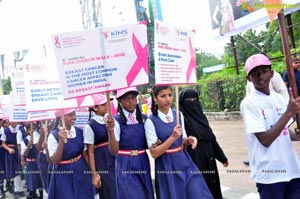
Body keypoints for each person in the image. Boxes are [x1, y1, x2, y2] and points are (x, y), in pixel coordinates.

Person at [240, 53, 300, 198]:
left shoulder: (279, 98)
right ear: (249, 78)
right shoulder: (249, 104)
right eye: (255, 74)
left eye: (265, 71)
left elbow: (282, 130)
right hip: (269, 174)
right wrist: (288, 113)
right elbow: (265, 140)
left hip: (292, 170)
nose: (261, 77)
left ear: (272, 73)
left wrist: (296, 135)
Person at [144, 85, 213, 199]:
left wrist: (189, 140)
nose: (168, 99)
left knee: (198, 192)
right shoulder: (151, 121)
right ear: (155, 98)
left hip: (184, 160)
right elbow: (154, 153)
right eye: (163, 96)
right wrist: (172, 137)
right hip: (166, 165)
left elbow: (182, 141)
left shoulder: (178, 115)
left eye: (170, 95)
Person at [179, 88, 228, 199]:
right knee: (199, 189)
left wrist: (222, 157)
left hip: (209, 158)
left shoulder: (202, 118)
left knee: (213, 187)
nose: (193, 102)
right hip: (194, 160)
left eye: (195, 99)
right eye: (189, 100)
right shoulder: (181, 119)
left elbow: (211, 138)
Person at [106, 87, 154, 199]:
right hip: (125, 162)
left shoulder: (144, 119)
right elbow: (114, 151)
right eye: (127, 98)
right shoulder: (115, 121)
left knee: (146, 193)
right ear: (119, 101)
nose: (131, 101)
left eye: (133, 97)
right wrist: (111, 131)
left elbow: (149, 143)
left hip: (142, 160)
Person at [47, 109, 94, 199]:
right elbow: (55, 161)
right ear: (61, 118)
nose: (74, 117)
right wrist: (61, 141)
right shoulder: (53, 135)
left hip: (81, 170)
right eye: (70, 115)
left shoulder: (80, 132)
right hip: (63, 173)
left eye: (74, 114)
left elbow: (85, 154)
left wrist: (93, 173)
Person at [84, 94, 117, 199]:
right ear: (95, 107)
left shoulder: (111, 120)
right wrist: (94, 174)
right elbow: (90, 152)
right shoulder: (90, 126)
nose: (107, 105)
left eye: (107, 103)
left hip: (116, 159)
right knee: (109, 192)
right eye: (103, 104)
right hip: (103, 162)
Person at [1, 121, 25, 199]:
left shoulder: (21, 128)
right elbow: (3, 143)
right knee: (16, 171)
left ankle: (20, 189)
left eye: (15, 120)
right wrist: (9, 149)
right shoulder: (6, 130)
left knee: (21, 170)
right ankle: (16, 189)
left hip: (21, 150)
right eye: (11, 121)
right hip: (11, 152)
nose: (13, 122)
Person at [21, 122, 43, 199]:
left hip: (38, 162)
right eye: (30, 129)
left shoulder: (38, 138)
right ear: (27, 131)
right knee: (32, 181)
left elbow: (40, 149)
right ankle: (31, 195)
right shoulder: (24, 141)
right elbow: (25, 155)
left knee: (40, 181)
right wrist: (29, 146)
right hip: (30, 163)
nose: (32, 131)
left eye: (33, 129)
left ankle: (41, 196)